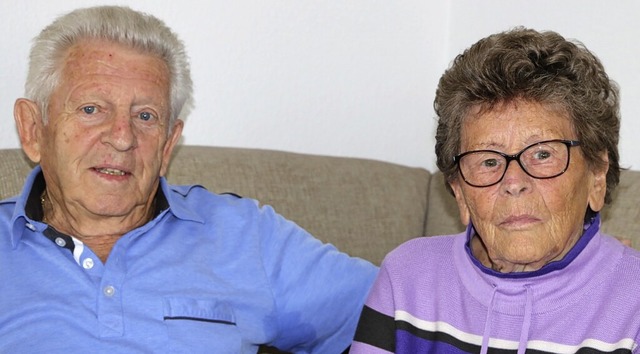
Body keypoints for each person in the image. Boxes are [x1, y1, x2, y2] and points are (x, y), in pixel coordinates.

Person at [1, 5, 377, 353]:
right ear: (33, 129)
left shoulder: (245, 237)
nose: (122, 136)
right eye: (91, 109)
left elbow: (403, 307)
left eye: (145, 116)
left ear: (168, 145)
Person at [350, 27, 640, 353]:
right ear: (459, 192)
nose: (513, 182)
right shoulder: (406, 280)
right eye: (488, 161)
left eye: (542, 153)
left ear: (596, 176)